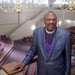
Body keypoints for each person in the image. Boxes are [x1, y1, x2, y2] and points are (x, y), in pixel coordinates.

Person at [12, 11, 72, 75]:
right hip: (41, 71)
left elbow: (68, 59)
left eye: (53, 19)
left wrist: (67, 73)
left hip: (58, 71)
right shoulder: (37, 32)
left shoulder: (65, 35)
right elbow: (32, 50)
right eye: (49, 19)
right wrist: (23, 63)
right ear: (44, 21)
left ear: (56, 21)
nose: (51, 22)